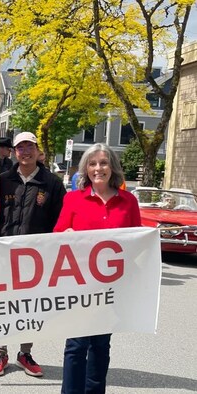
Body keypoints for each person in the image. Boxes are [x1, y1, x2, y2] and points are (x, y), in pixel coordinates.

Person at [0, 131, 66, 378]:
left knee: (31, 307)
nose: (25, 152)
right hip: (3, 254)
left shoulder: (52, 184)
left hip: (36, 258)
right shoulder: (3, 180)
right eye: (20, 148)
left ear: (38, 151)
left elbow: (61, 221)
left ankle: (25, 352)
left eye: (29, 147)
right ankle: (0, 351)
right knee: (3, 305)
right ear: (15, 152)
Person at [53, 143, 140, 393]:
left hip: (111, 287)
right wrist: (65, 234)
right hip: (79, 285)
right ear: (85, 169)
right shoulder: (73, 199)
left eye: (103, 163)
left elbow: (135, 242)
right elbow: (57, 235)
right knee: (77, 345)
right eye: (92, 164)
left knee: (101, 345)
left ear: (112, 167)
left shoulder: (128, 202)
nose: (98, 168)